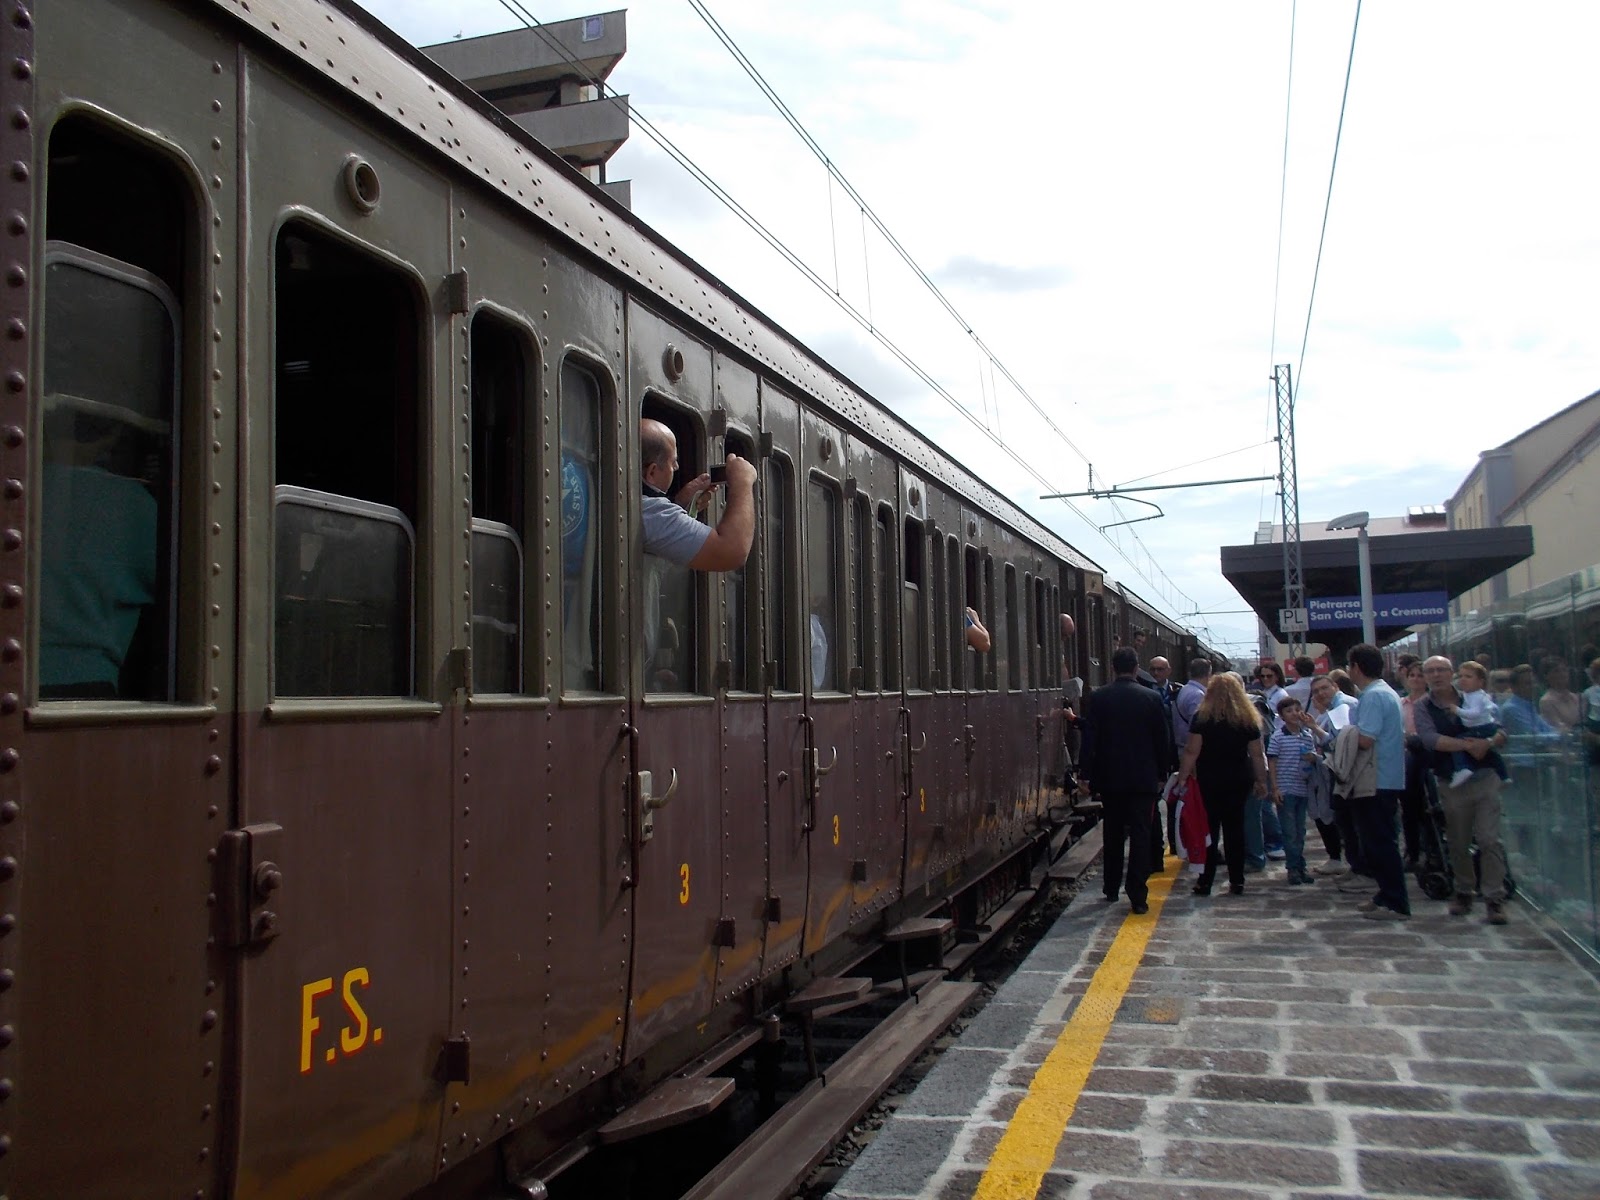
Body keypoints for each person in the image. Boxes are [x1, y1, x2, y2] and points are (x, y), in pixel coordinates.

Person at [1414, 655, 1511, 925]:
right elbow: (1430, 739)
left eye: (1441, 670)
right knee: (1458, 841)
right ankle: (1464, 890)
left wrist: (1489, 742)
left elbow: (1501, 729)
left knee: (1489, 839)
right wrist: (1468, 746)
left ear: (1452, 673)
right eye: (1430, 671)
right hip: (1452, 782)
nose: (1436, 675)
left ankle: (1494, 897)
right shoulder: (1424, 706)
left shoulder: (1472, 695)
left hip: (1485, 777)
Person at [1079, 646, 1171, 915]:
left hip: (1110, 779)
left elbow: (1090, 739)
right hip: (1143, 779)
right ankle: (1138, 895)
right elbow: (1161, 740)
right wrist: (1162, 774)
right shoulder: (1152, 698)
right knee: (1141, 835)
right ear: (1135, 668)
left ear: (1113, 668)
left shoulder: (1099, 697)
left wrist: (1085, 773)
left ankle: (1110, 887)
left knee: (1113, 832)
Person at [1174, 672, 1269, 897]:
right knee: (1235, 829)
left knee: (1210, 830)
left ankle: (1205, 881)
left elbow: (1191, 751)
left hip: (1209, 779)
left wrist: (1182, 777)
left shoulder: (1202, 717)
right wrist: (1261, 781)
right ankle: (1237, 881)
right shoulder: (1248, 718)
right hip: (1238, 778)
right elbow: (1257, 754)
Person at [1346, 643, 1411, 920]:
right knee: (1379, 840)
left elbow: (1365, 739)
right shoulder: (1387, 692)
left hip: (1376, 779)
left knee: (1379, 842)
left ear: (1357, 668)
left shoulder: (1372, 697)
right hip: (1386, 776)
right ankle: (1385, 893)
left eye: (1350, 666)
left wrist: (1342, 735)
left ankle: (1395, 901)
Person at [639, 418, 755, 570]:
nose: (677, 467)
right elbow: (730, 552)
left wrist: (680, 503)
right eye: (673, 462)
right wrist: (743, 481)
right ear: (652, 472)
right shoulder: (652, 511)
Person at [1268, 695, 1329, 885]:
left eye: (1296, 709)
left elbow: (1314, 757)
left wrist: (1313, 759)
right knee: (1289, 831)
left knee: (1300, 831)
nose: (1294, 714)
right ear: (1282, 716)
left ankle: (1299, 866)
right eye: (1289, 711)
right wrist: (1275, 787)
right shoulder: (1278, 736)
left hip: (1303, 788)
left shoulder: (1306, 735)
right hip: (1286, 788)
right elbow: (1272, 762)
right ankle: (1293, 868)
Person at [1447, 661, 1507, 787]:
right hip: (1480, 728)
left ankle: (1462, 768)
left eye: (1468, 676)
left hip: (1481, 728)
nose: (1463, 679)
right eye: (1461, 676)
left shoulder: (1477, 696)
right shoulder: (1468, 695)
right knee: (1491, 754)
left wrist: (1457, 710)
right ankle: (1503, 775)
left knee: (1458, 742)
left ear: (1480, 682)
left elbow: (1475, 713)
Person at [1538, 658, 1580, 731]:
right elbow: (1557, 727)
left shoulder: (1575, 697)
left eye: (1564, 670)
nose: (1562, 674)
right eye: (1556, 671)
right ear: (1546, 676)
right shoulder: (1546, 701)